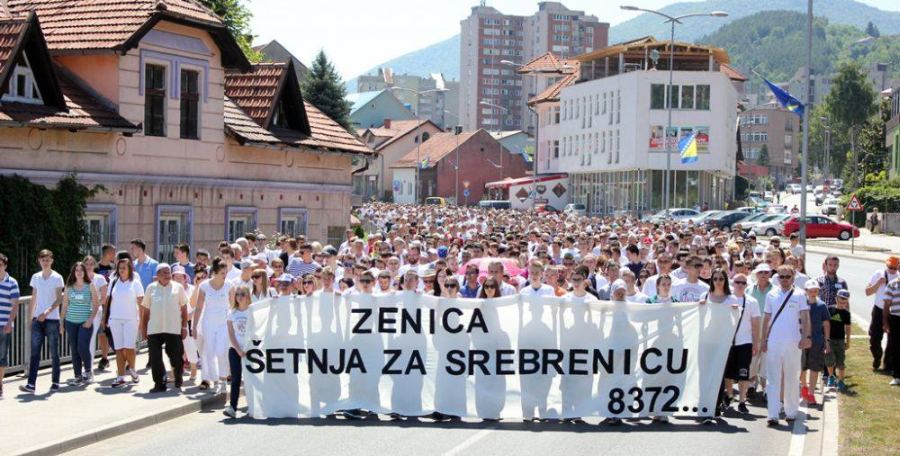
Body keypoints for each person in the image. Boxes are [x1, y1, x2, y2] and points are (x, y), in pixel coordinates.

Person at [761, 265, 812, 426]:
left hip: (793, 342)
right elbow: (766, 318)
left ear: (793, 277)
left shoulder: (800, 294)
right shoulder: (771, 294)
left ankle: (791, 412)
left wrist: (806, 337)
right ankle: (773, 414)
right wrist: (763, 340)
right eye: (781, 277)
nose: (784, 280)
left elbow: (805, 316)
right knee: (773, 379)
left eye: (787, 277)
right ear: (777, 278)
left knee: (792, 378)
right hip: (774, 342)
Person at [140, 263, 189, 393]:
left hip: (173, 328)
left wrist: (184, 327)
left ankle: (178, 376)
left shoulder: (178, 288)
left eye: (169, 272)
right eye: (164, 273)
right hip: (154, 329)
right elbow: (146, 311)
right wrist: (143, 328)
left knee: (176, 356)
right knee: (155, 358)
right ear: (158, 275)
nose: (168, 275)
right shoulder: (151, 288)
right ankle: (159, 384)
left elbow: (184, 309)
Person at [22, 249, 64, 394]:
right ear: (39, 261)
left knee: (54, 352)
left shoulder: (57, 277)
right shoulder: (36, 277)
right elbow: (34, 297)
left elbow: (59, 299)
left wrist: (46, 312)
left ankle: (55, 382)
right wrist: (30, 318)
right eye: (43, 260)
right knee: (34, 353)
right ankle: (31, 384)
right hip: (37, 320)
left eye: (47, 260)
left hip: (52, 319)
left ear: (52, 261)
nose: (45, 262)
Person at [193, 258, 234, 392]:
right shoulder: (204, 286)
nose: (225, 275)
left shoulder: (229, 285)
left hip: (223, 323)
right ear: (215, 272)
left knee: (222, 351)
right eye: (222, 273)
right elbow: (198, 308)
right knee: (209, 353)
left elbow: (233, 306)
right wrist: (194, 327)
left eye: (226, 272)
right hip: (208, 323)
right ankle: (215, 380)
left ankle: (223, 379)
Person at [724, 273, 760, 414]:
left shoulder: (752, 301)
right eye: (737, 282)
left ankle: (742, 401)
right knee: (728, 372)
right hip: (728, 342)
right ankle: (729, 396)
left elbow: (755, 324)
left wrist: (755, 343)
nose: (740, 285)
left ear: (746, 285)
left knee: (744, 373)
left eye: (743, 283)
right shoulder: (726, 299)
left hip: (745, 342)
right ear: (733, 283)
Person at [106, 257, 145, 388]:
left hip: (131, 319)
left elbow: (141, 304)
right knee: (119, 348)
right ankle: (121, 376)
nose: (121, 270)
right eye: (120, 268)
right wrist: (106, 318)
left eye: (124, 268)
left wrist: (142, 322)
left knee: (129, 348)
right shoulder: (113, 282)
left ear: (130, 269)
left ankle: (132, 370)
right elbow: (108, 301)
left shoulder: (136, 283)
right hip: (115, 319)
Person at [60, 262, 100, 385]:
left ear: (84, 272)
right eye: (76, 270)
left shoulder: (90, 286)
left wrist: (90, 320)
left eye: (81, 270)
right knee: (74, 349)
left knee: (82, 347)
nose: (79, 272)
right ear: (73, 272)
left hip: (85, 323)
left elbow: (96, 304)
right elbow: (65, 305)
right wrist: (61, 323)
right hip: (70, 322)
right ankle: (77, 376)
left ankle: (88, 372)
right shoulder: (69, 287)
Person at [866, 256, 899, 372]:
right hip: (879, 310)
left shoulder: (898, 277)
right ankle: (877, 357)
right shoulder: (879, 274)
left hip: (893, 313)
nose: (892, 270)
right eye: (890, 267)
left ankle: (888, 366)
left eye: (895, 268)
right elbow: (867, 292)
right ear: (886, 265)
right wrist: (878, 284)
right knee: (874, 339)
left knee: (892, 341)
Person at [799, 280, 830, 406]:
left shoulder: (821, 306)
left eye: (815, 291)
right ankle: (804, 388)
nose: (813, 293)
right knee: (801, 367)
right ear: (805, 291)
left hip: (817, 341)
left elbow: (826, 324)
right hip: (801, 340)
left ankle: (811, 393)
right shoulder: (801, 304)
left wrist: (827, 341)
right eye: (810, 291)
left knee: (814, 368)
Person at [224, 285, 252, 418]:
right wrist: (239, 349)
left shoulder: (253, 311)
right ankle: (232, 407)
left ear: (247, 296)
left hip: (250, 350)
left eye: (242, 294)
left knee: (252, 378)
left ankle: (254, 405)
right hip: (235, 349)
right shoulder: (232, 313)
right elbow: (231, 334)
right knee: (236, 378)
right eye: (237, 294)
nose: (239, 297)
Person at [0, 253, 20, 398]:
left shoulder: (12, 283)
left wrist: (9, 323)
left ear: (5, 266)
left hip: (3, 325)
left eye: (0, 265)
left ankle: (0, 384)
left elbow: (15, 306)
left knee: (1, 356)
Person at [826, 289, 852, 392]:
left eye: (844, 303)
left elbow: (848, 328)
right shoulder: (829, 309)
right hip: (830, 339)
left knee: (841, 361)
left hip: (840, 340)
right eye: (840, 302)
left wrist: (848, 341)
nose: (842, 305)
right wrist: (826, 339)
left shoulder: (846, 313)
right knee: (829, 360)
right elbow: (825, 324)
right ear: (836, 299)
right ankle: (831, 377)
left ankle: (841, 381)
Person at [884, 275, 900, 386]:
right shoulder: (892, 284)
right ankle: (897, 376)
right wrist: (885, 322)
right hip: (895, 319)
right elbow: (886, 305)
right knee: (896, 348)